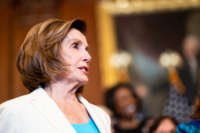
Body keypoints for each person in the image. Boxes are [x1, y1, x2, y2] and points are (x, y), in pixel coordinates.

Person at [0, 18, 111, 133]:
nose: (88, 56)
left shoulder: (101, 116)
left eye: (86, 49)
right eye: (75, 46)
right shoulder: (15, 112)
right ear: (48, 53)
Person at [163, 35, 200, 123]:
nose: (189, 51)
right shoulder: (179, 67)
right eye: (187, 48)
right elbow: (177, 88)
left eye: (192, 48)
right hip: (186, 103)